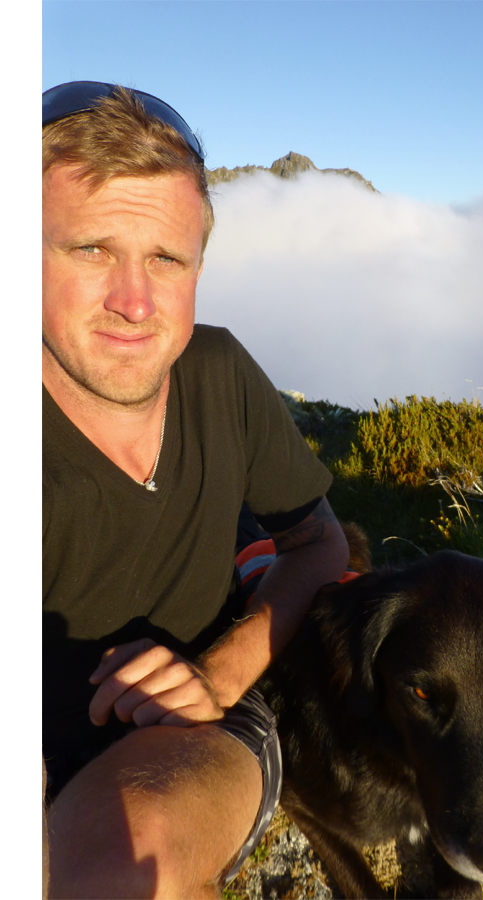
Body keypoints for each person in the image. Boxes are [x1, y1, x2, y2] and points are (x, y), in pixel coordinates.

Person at [42, 81, 349, 899]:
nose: (134, 303)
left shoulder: (218, 373)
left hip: (200, 725)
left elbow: (317, 542)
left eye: (166, 260)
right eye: (92, 250)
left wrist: (217, 675)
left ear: (198, 269)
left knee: (122, 860)